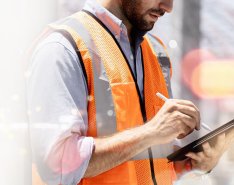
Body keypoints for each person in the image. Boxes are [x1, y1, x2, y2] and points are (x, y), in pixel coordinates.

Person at [26, 0, 234, 185]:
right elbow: (57, 169)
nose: (168, 7)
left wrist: (196, 164)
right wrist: (151, 132)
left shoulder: (156, 51)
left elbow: (148, 161)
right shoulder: (62, 49)